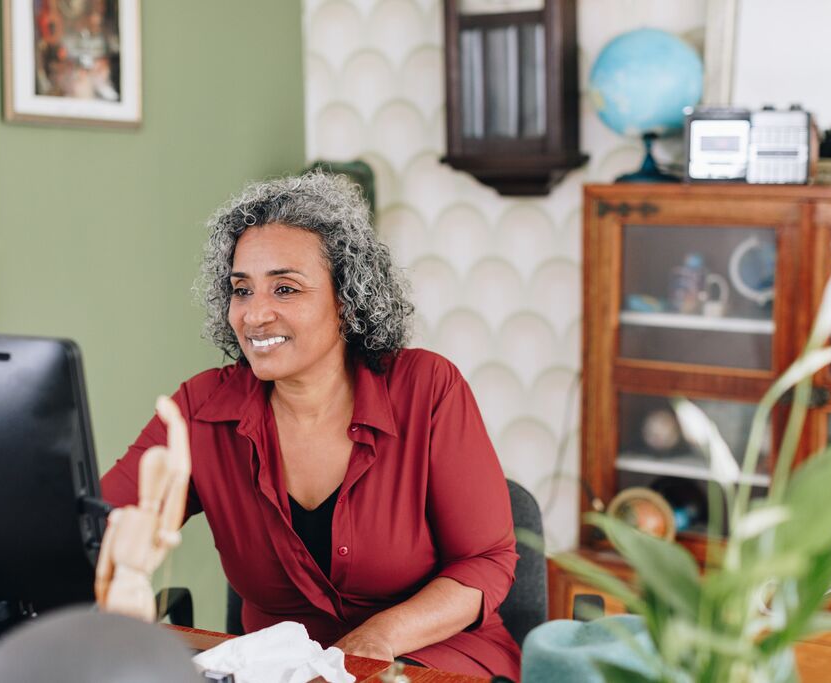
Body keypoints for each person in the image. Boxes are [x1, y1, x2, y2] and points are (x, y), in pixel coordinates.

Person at [101, 171, 521, 678]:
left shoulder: (428, 388)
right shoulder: (201, 408)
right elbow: (93, 525)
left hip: (433, 661)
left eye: (285, 288)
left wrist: (374, 640)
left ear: (347, 301)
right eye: (241, 290)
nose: (254, 315)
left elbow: (486, 561)